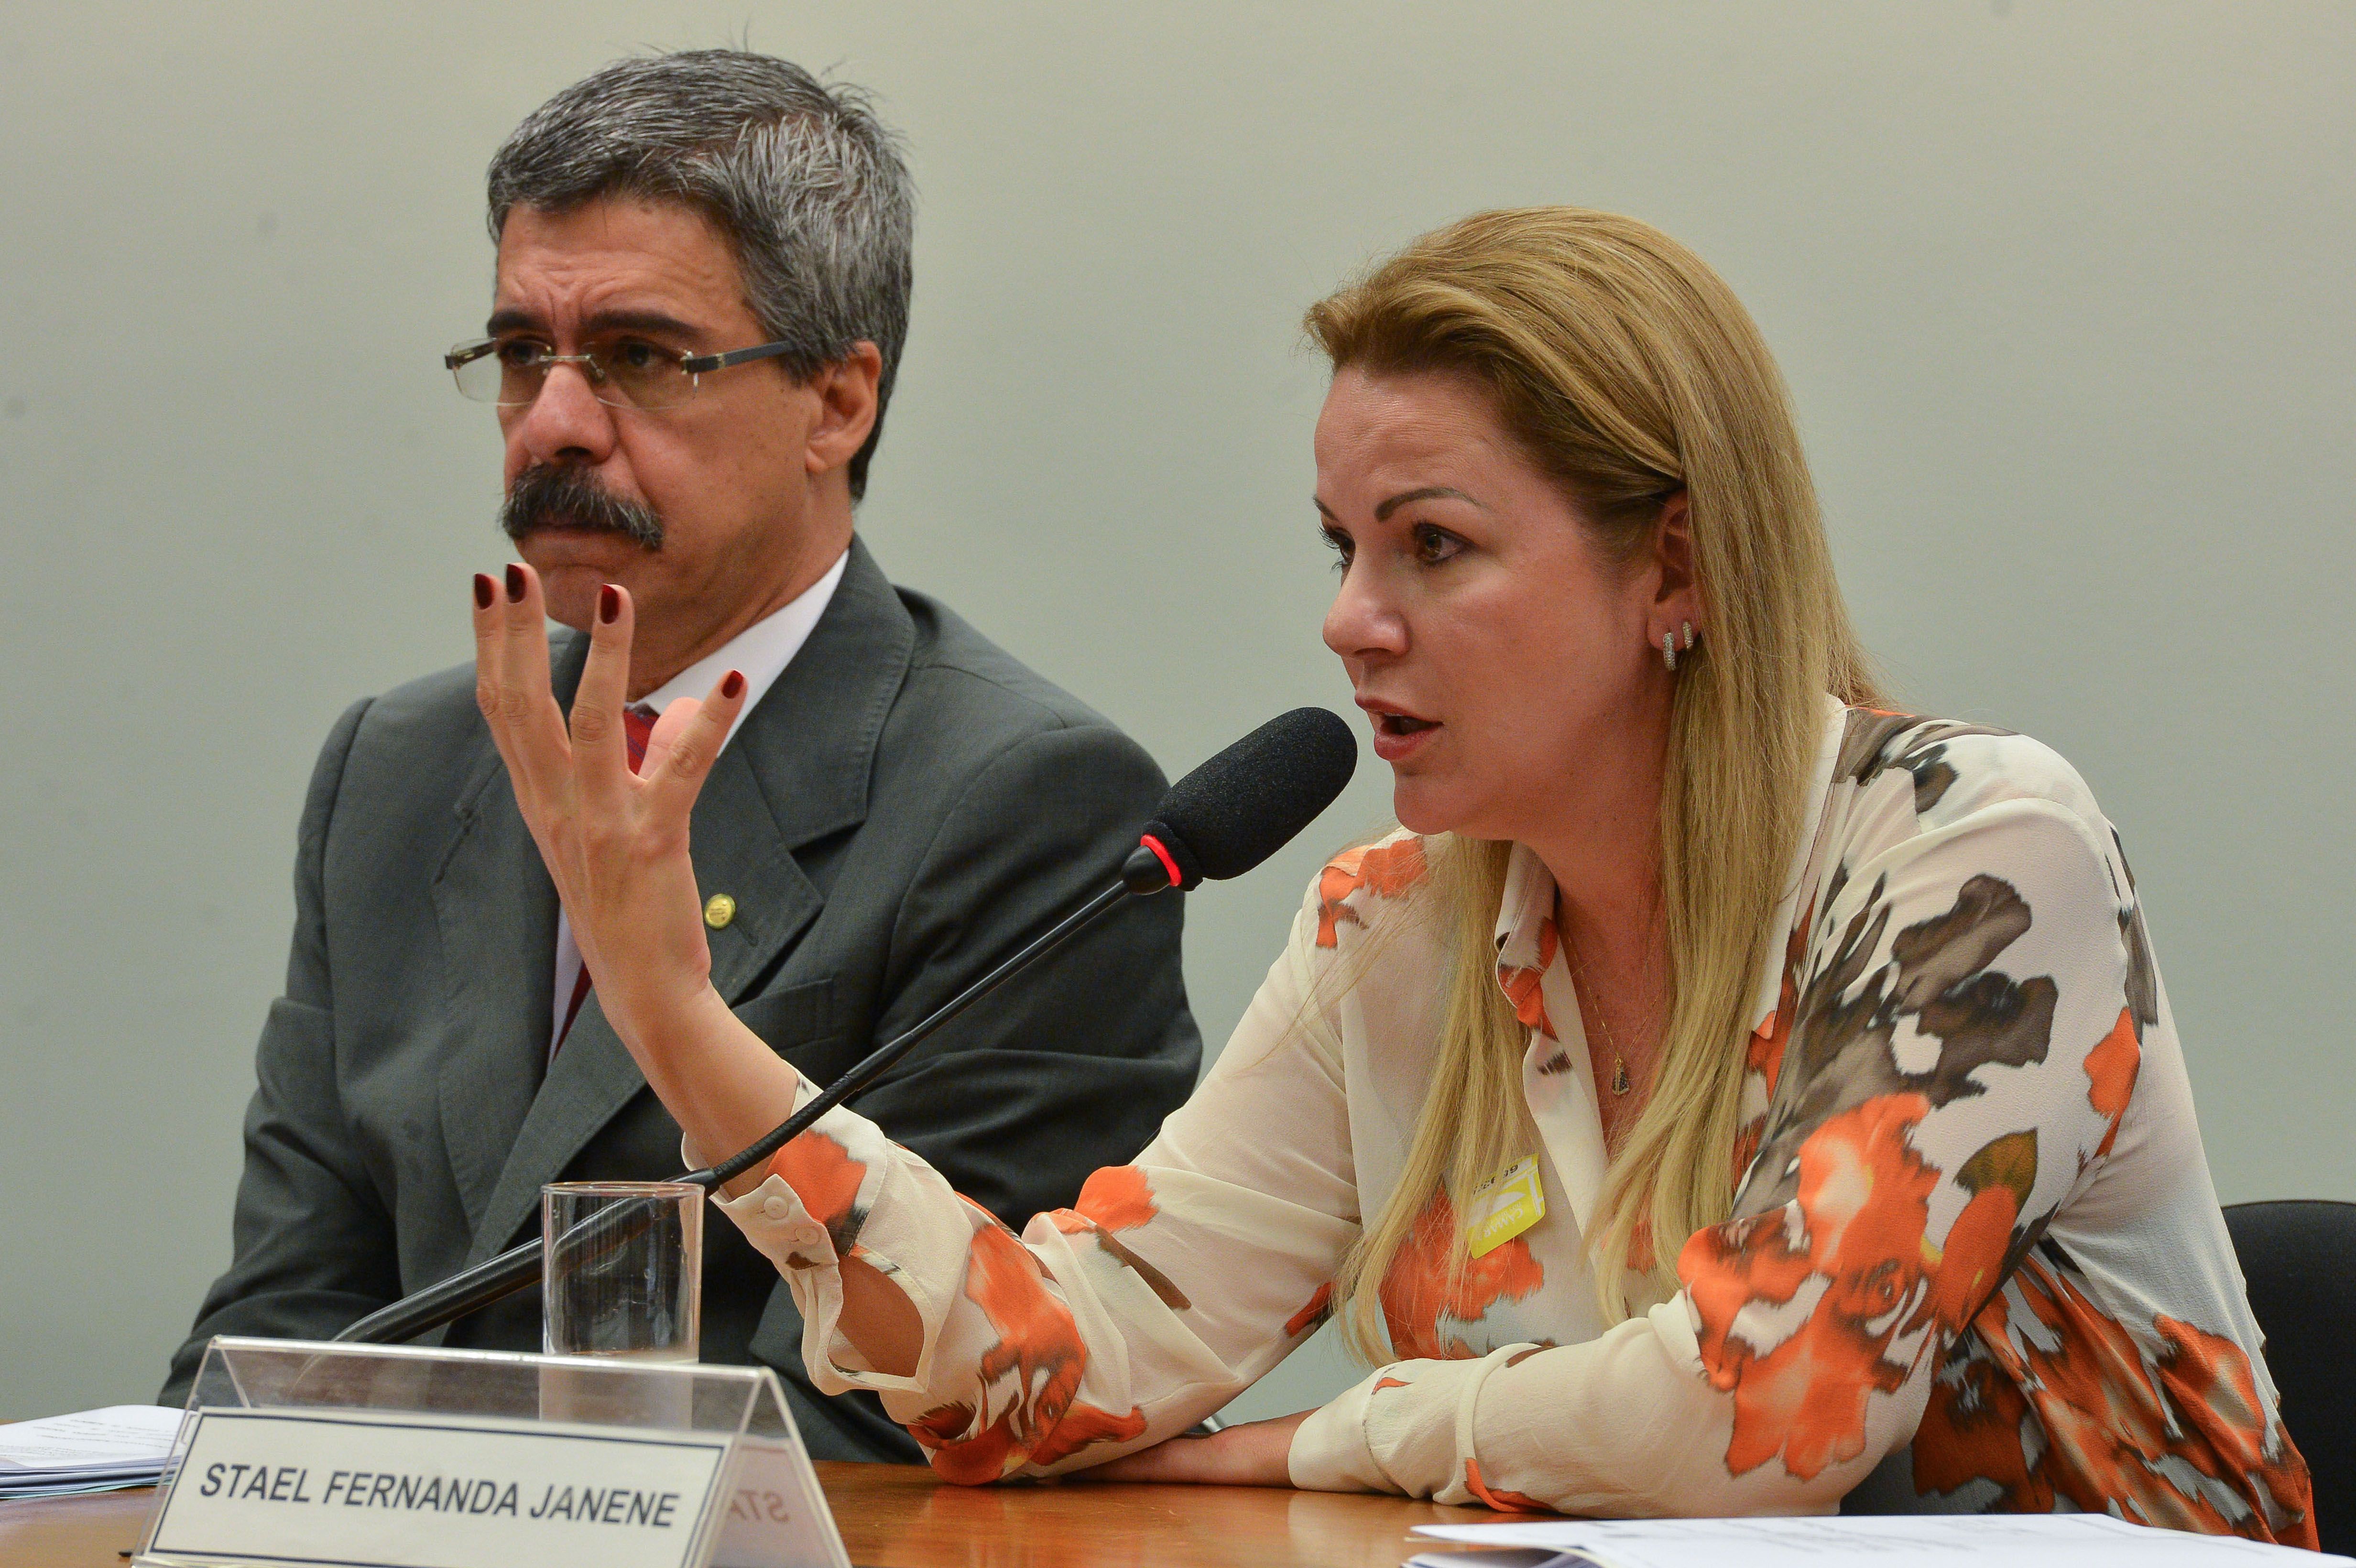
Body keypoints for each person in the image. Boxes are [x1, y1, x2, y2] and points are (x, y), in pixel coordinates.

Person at [466, 205, 2315, 1540]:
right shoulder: (1397, 930)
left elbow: (1769, 1415)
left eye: (1433, 547)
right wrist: (680, 1020)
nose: (1350, 624)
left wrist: (1335, 1434)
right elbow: (1059, 1365)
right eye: (1346, 543)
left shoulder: (1976, 860)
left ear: (1674, 572)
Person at [160, 51, 1201, 1462]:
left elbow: (892, 1430)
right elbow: (285, 1331)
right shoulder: (399, 769)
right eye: (522, 354)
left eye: (640, 358)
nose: (554, 423)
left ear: (839, 403)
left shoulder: (1023, 802)